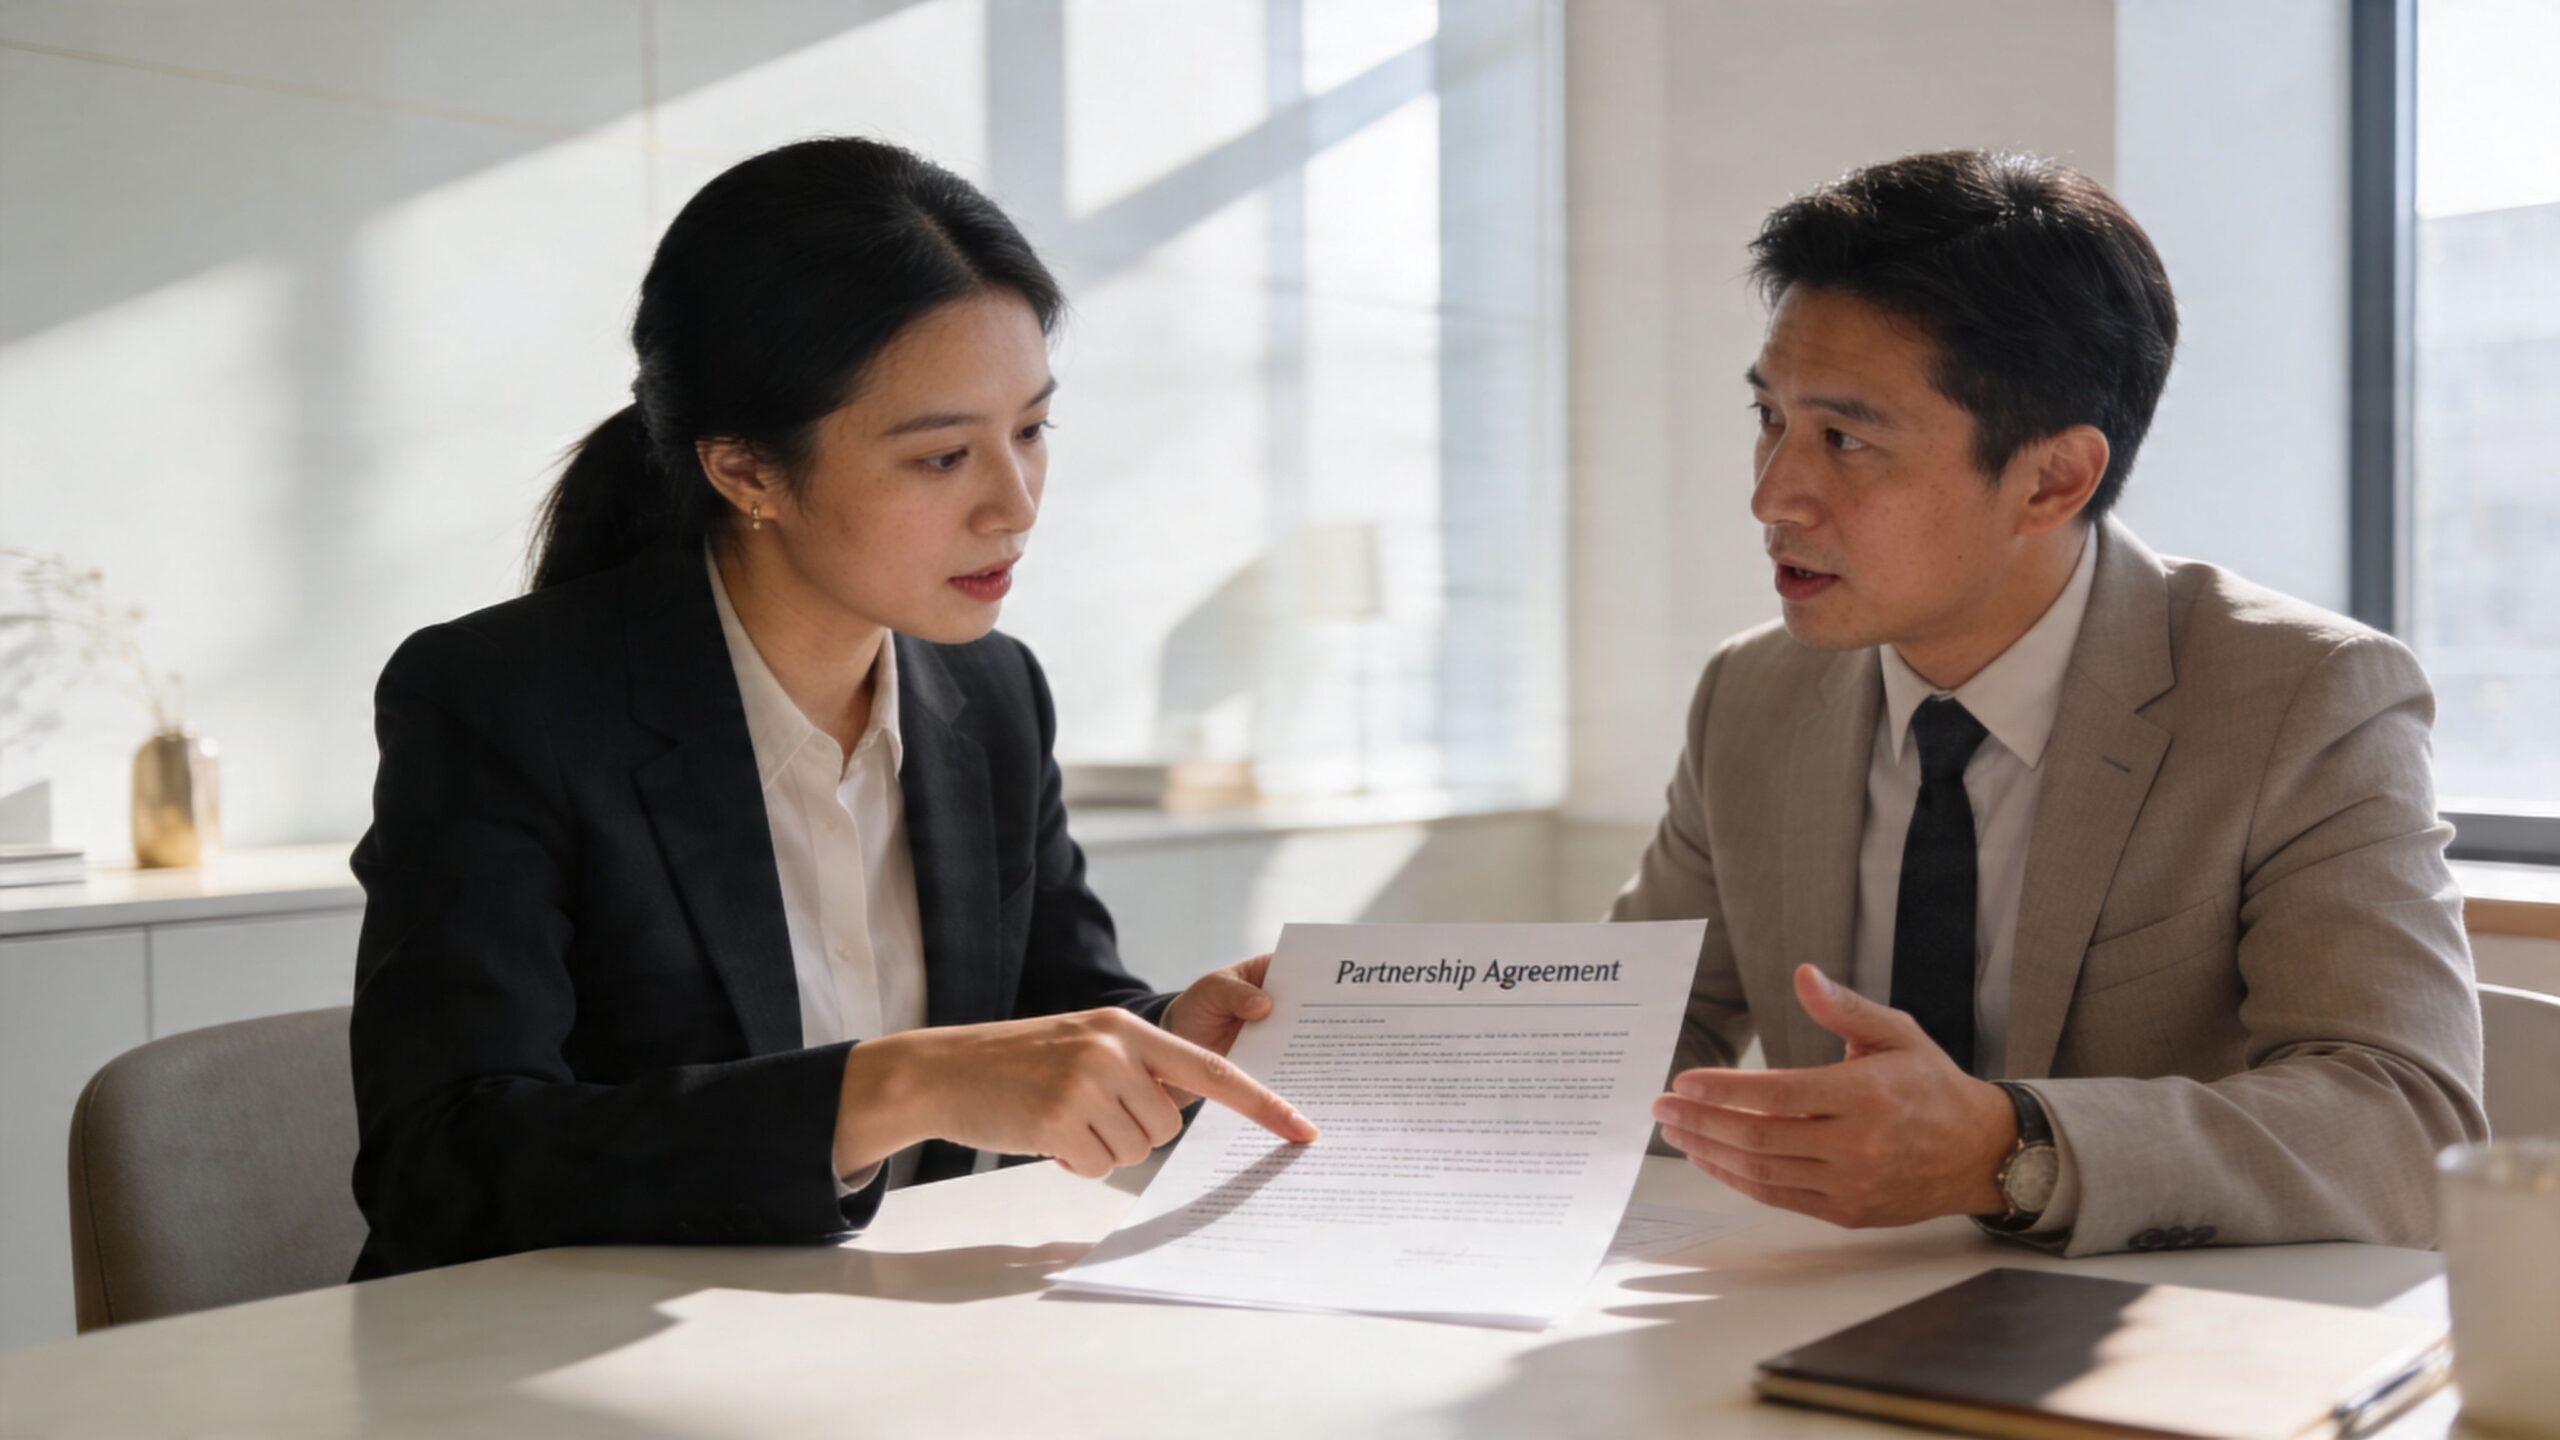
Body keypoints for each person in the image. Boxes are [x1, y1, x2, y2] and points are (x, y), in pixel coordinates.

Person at [347, 137, 1314, 1280]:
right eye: (943, 456)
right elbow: (444, 1162)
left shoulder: (990, 697)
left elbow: (1051, 1013)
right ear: (746, 471)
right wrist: (890, 1087)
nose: (1014, 505)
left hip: (886, 1342)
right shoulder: (504, 703)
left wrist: (1164, 1039)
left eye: (1031, 430)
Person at [1618, 150, 2486, 1257]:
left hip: (2170, 1347)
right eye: (1767, 415)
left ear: (2050, 481)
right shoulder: (1751, 694)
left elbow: (2403, 1124)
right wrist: (1358, 1092)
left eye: (1844, 438)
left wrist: (2005, 1147)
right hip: (1805, 1315)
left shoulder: (2302, 697)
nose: (1770, 494)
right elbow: (1632, 1029)